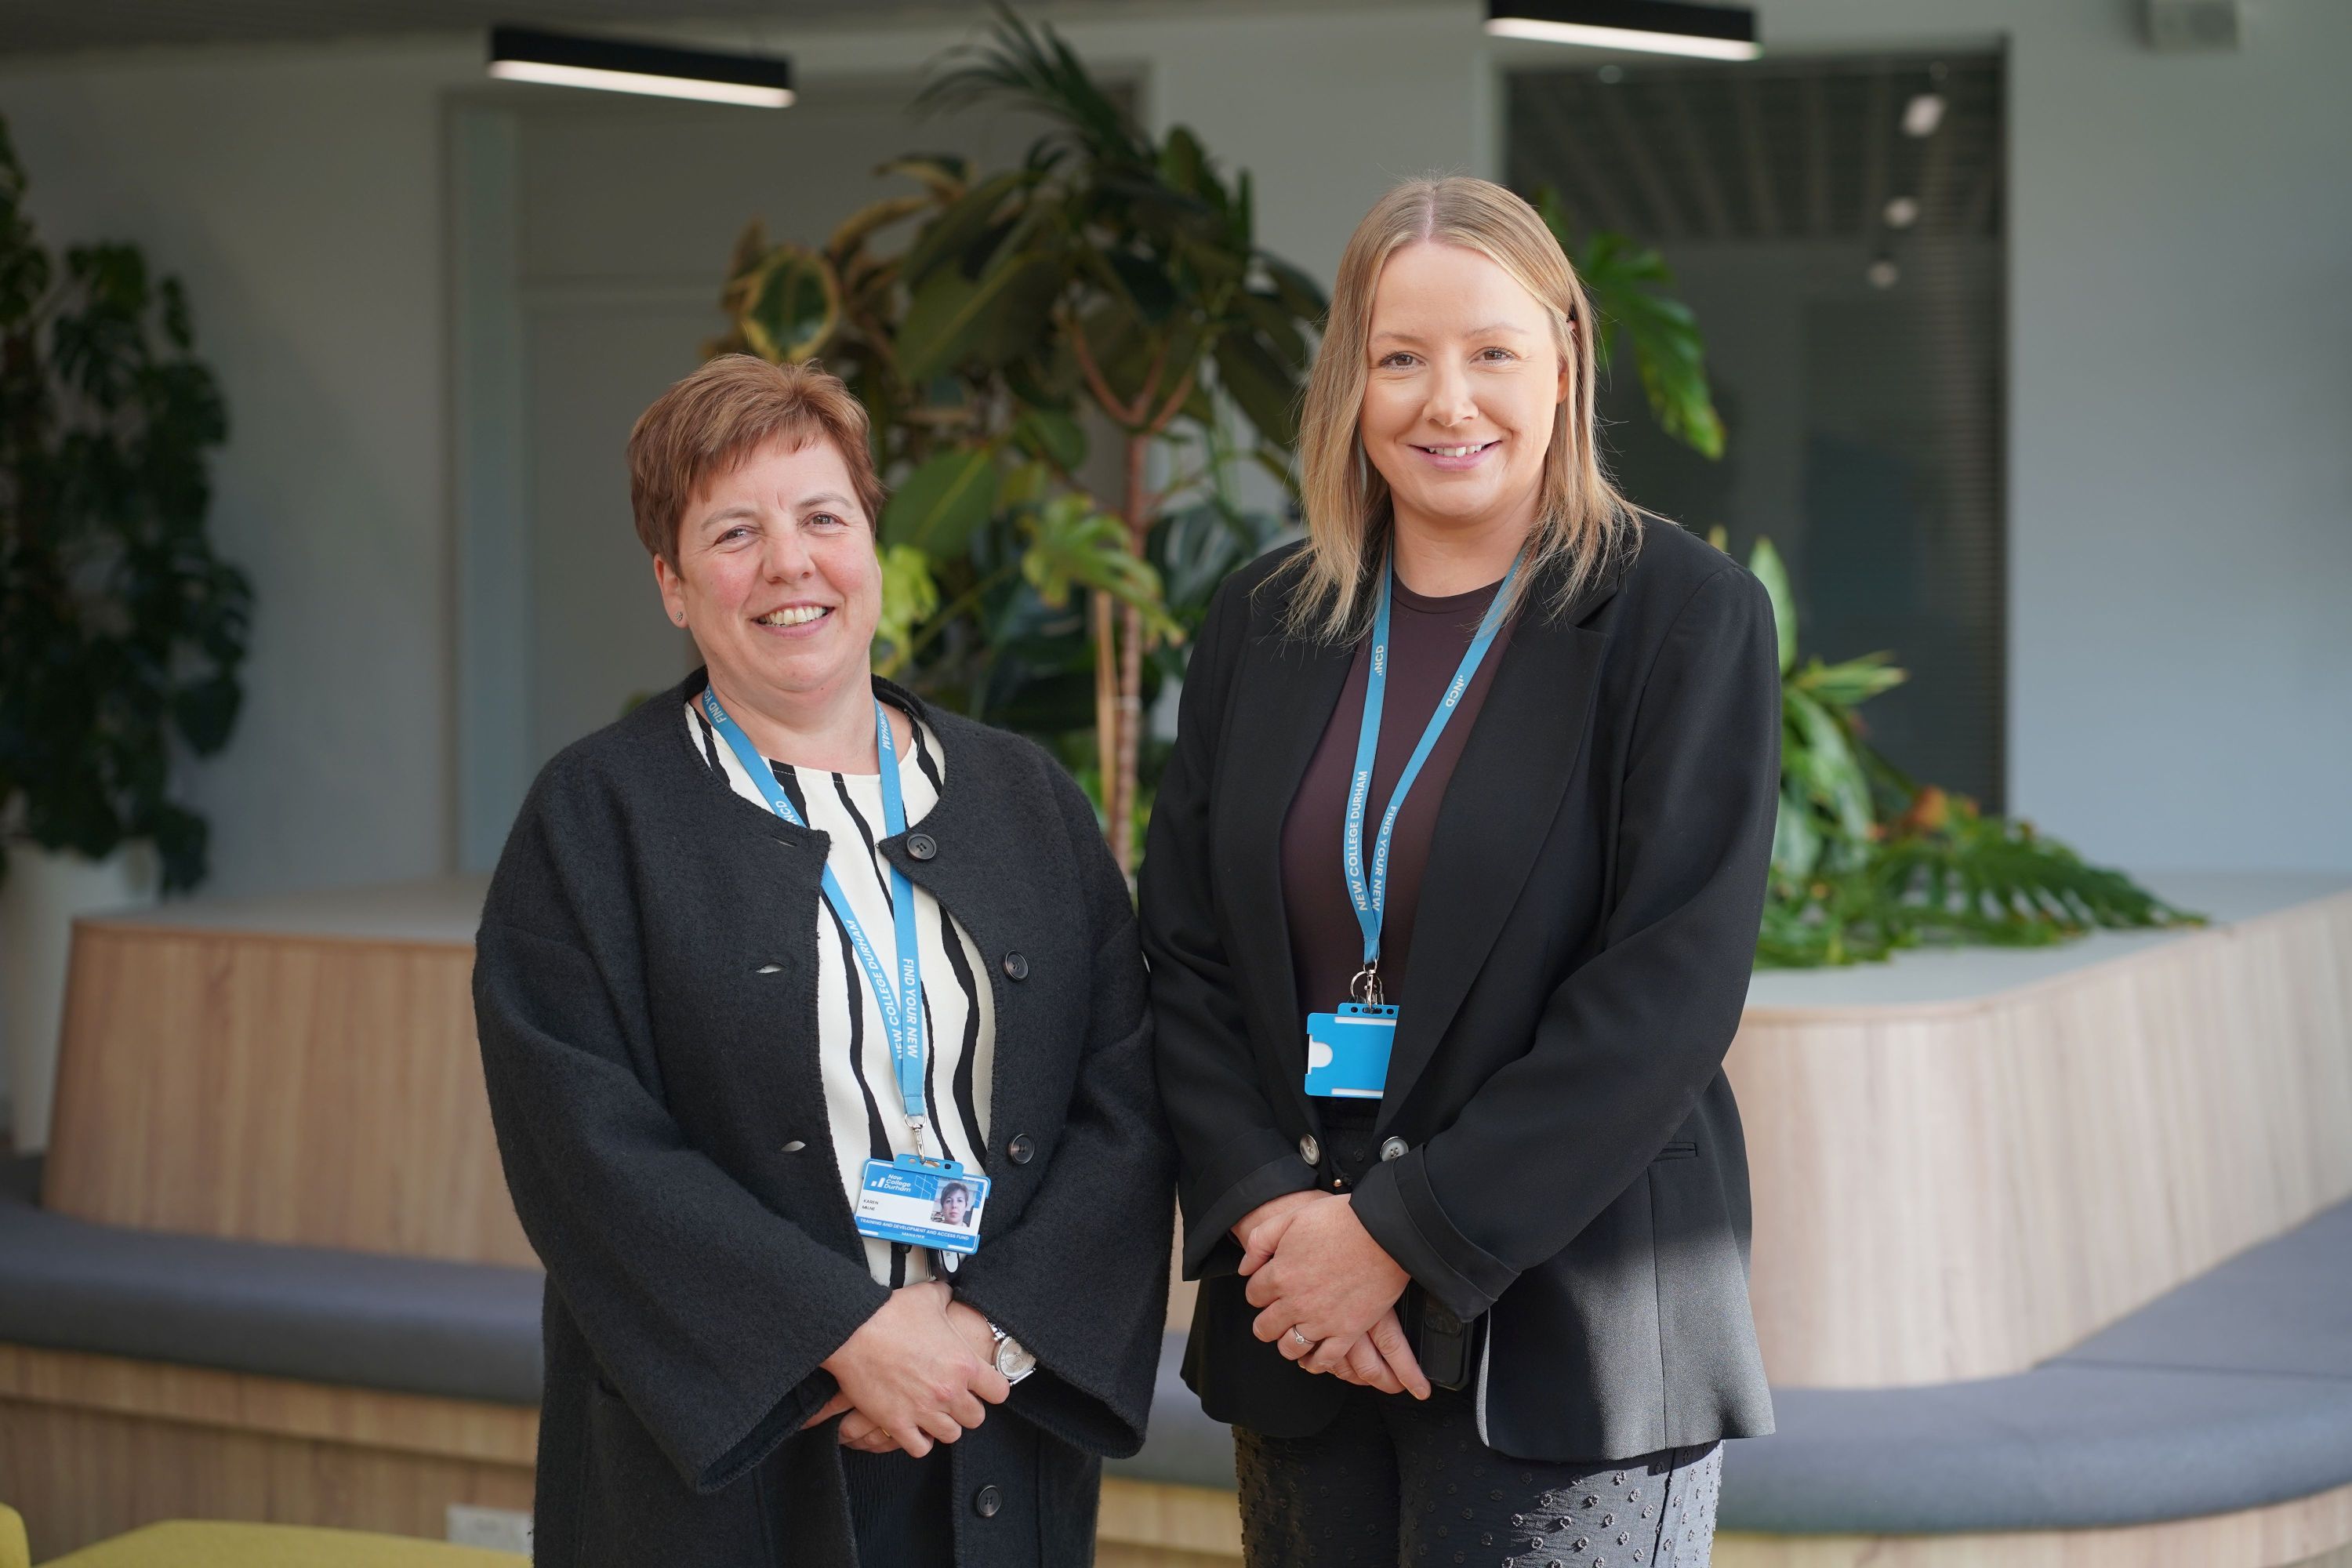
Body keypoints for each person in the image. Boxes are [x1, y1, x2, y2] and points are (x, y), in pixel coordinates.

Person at [1141, 176, 1779, 1568]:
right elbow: (1183, 957)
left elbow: (1668, 989)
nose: (1449, 402)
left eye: (1492, 351)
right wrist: (1273, 1215)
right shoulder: (1265, 617)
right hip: (1299, 1315)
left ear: (1565, 357)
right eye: (1400, 358)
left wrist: (1401, 1236)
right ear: (1349, 384)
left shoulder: (1680, 617)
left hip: (1572, 1329)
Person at [474, 355, 1171, 1568]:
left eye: (822, 518)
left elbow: (1126, 1094)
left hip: (990, 1421)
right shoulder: (596, 816)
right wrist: (845, 1336)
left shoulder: (1025, 797)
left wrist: (984, 1343)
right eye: (734, 532)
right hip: (718, 1459)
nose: (789, 563)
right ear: (673, 586)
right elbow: (582, 1145)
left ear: (870, 550)